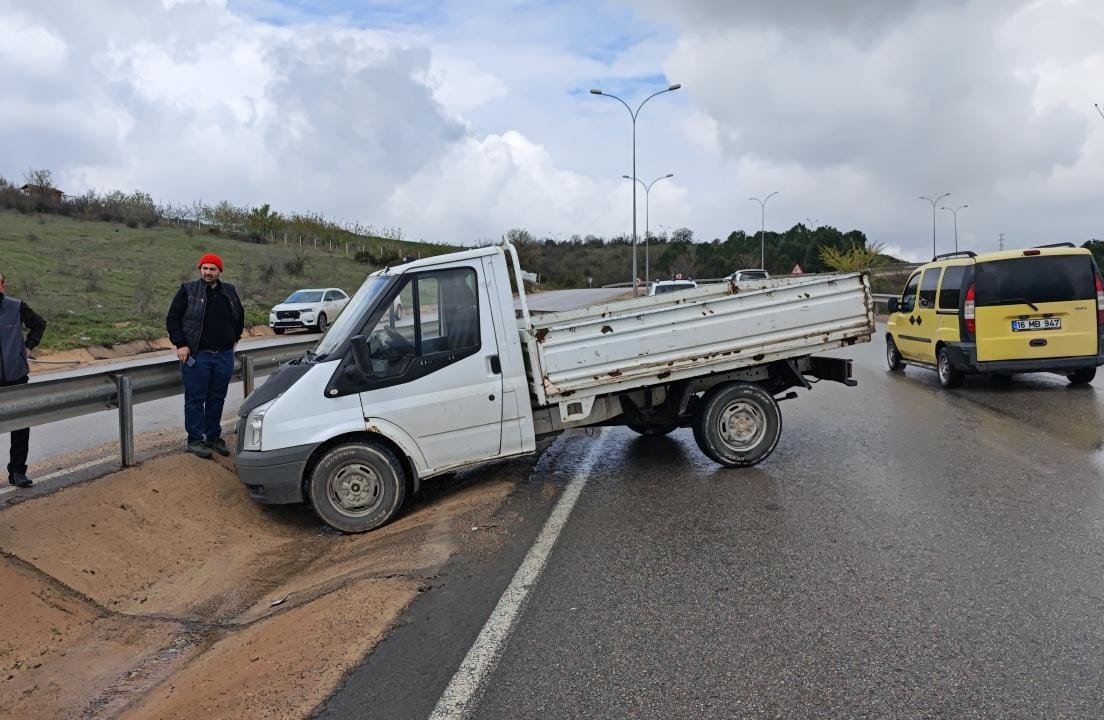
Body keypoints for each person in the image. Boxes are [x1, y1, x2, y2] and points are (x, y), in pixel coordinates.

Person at [165, 253, 244, 458]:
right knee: (195, 399)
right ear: (200, 269)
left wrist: (235, 338)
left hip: (224, 356)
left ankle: (212, 437)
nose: (208, 272)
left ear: (219, 271)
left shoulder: (229, 291)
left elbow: (239, 315)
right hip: (198, 356)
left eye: (212, 269)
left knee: (217, 398)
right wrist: (181, 344)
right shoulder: (188, 290)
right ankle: (195, 440)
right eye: (205, 268)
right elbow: (173, 318)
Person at [0, 270, 46, 487]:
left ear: (3, 285)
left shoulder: (15, 306)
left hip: (16, 376)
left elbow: (39, 324)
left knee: (20, 426)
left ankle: (17, 472)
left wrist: (27, 347)